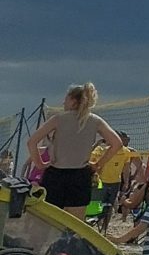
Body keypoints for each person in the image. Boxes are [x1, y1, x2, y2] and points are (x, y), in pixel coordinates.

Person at [37, 85, 125, 220]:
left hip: (56, 173)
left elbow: (31, 142)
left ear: (73, 100)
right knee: (75, 226)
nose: (63, 102)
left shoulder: (58, 119)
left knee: (49, 222)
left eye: (65, 99)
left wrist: (40, 164)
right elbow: (117, 143)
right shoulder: (95, 120)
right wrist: (98, 165)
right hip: (80, 175)